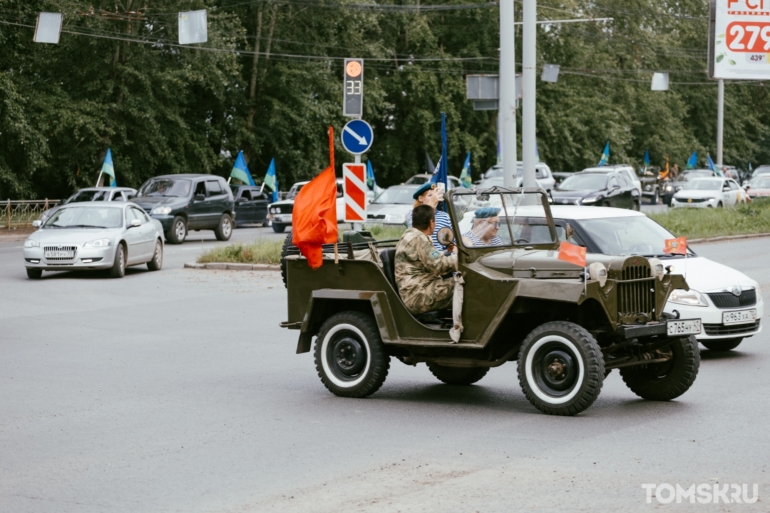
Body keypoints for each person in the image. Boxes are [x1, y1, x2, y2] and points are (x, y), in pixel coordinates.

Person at [395, 205, 457, 315]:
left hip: (418, 290)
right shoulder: (419, 239)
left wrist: (448, 253)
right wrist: (459, 258)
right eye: (435, 222)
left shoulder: (412, 234)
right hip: (417, 296)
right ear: (431, 222)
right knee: (464, 284)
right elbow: (439, 266)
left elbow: (431, 257)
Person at [405, 182, 452, 251]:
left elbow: (452, 240)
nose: (434, 198)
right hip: (422, 254)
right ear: (421, 198)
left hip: (442, 256)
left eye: (435, 196)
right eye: (430, 195)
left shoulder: (445, 216)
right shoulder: (412, 213)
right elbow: (414, 231)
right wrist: (429, 206)